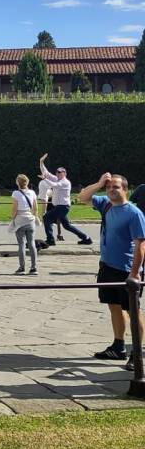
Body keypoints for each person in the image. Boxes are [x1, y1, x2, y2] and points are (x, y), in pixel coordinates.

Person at [78, 172, 145, 370]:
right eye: (108, 187)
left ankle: (137, 353)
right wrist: (99, 183)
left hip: (126, 269)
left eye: (115, 187)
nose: (111, 190)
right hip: (107, 266)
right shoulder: (106, 204)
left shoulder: (134, 213)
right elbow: (83, 197)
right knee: (113, 306)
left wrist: (135, 272)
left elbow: (141, 245)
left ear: (125, 190)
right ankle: (118, 346)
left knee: (133, 311)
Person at [39, 154, 93, 247]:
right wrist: (41, 162)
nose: (58, 173)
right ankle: (86, 238)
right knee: (67, 226)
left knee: (46, 217)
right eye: (57, 172)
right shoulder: (56, 179)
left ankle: (50, 240)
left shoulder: (65, 182)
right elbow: (46, 173)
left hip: (62, 207)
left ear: (65, 174)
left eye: (60, 172)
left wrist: (44, 179)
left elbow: (53, 185)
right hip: (61, 207)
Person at [10, 174, 38, 275]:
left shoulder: (16, 193)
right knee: (32, 243)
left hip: (20, 218)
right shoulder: (32, 192)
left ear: (18, 183)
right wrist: (35, 216)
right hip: (30, 218)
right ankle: (34, 267)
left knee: (21, 244)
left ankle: (22, 267)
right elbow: (35, 208)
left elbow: (15, 208)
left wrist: (13, 219)